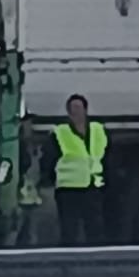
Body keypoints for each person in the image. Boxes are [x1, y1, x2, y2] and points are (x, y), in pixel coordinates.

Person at [43, 93, 109, 246]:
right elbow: (48, 160)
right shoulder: (60, 133)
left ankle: (96, 259)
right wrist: (52, 179)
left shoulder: (98, 129)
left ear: (86, 110)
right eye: (73, 108)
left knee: (95, 229)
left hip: (92, 186)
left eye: (79, 108)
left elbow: (106, 155)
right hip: (68, 189)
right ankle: (68, 263)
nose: (76, 112)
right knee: (69, 231)